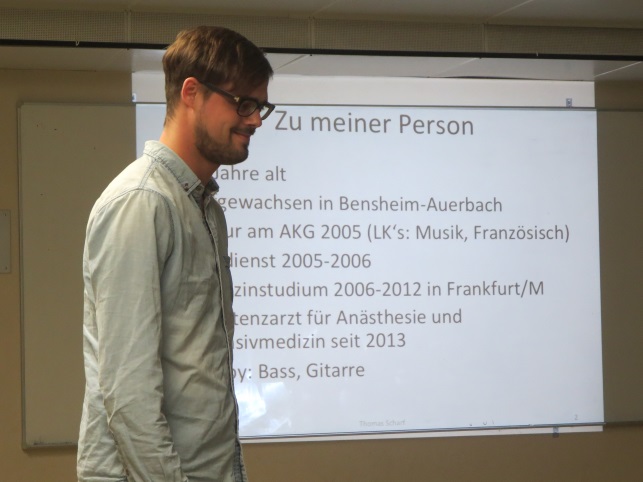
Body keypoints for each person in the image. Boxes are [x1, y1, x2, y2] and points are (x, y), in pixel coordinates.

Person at [77, 26, 274, 482]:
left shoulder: (205, 208)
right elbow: (128, 391)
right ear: (191, 93)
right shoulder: (142, 202)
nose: (255, 121)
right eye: (243, 103)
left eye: (260, 107)